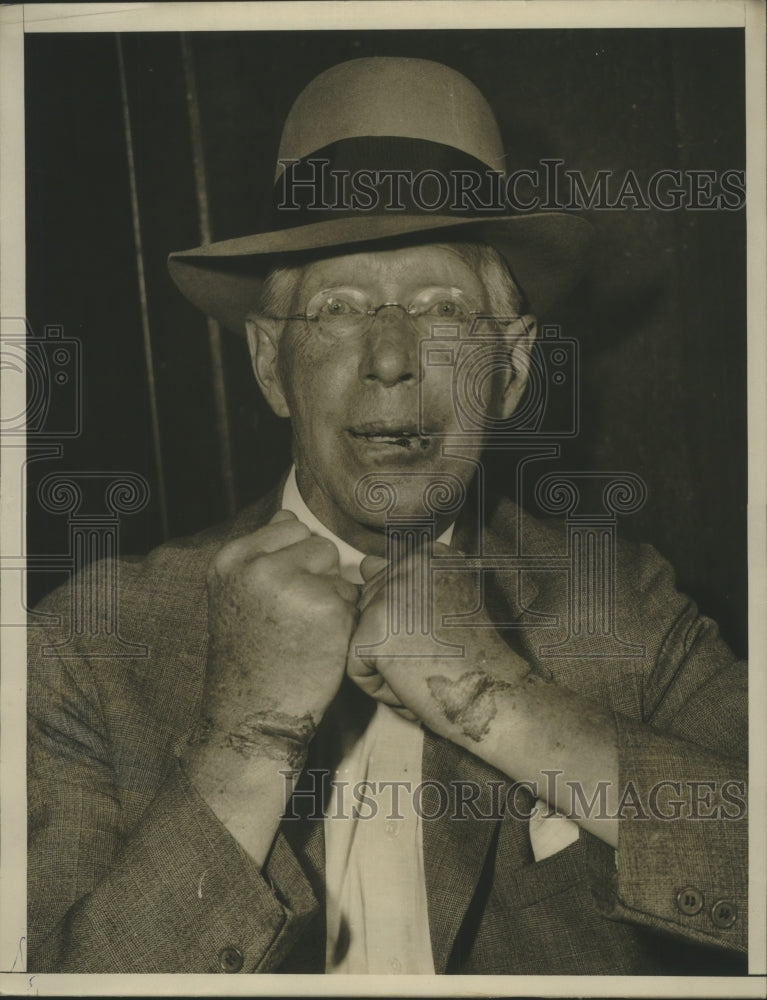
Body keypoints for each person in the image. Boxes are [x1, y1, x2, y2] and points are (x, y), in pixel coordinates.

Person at [27, 56, 747, 976]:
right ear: (266, 363)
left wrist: (500, 703)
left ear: (512, 368)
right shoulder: (88, 643)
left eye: (441, 311)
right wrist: (244, 738)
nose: (392, 360)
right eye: (338, 310)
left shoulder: (623, 605)